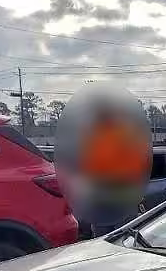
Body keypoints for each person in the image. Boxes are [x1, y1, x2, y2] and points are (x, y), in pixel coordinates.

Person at [54, 83, 152, 237]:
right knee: (114, 240)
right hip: (106, 199)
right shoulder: (93, 135)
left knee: (116, 240)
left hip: (116, 197)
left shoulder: (121, 134)